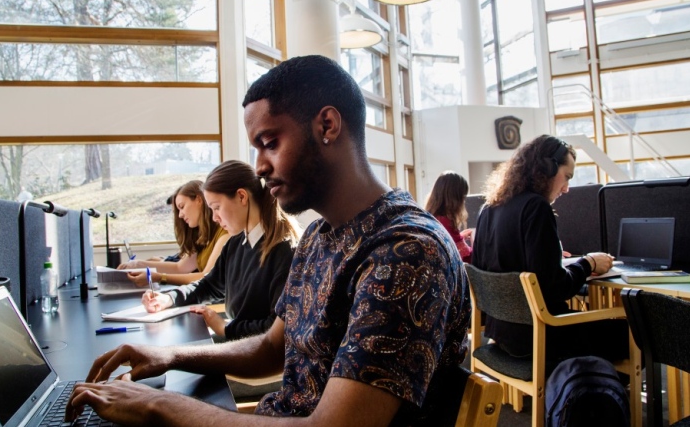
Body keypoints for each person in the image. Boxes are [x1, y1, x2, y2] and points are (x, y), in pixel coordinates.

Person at [66, 55, 470, 426]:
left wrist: (157, 404)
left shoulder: (407, 251)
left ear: (327, 126)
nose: (259, 166)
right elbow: (271, 346)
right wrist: (171, 356)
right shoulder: (317, 238)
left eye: (270, 143)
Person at [471, 134, 629, 366]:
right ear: (546, 169)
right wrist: (589, 263)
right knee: (630, 332)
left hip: (502, 334)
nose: (566, 189)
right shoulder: (536, 207)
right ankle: (596, 394)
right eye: (566, 177)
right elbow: (555, 287)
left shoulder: (489, 208)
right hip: (544, 332)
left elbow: (486, 269)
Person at [142, 160, 298, 341]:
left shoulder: (285, 251)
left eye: (217, 208)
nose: (215, 218)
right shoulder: (236, 243)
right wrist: (168, 298)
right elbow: (208, 285)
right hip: (239, 340)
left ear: (241, 197)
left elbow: (275, 327)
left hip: (258, 352)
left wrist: (225, 328)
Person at [117, 180, 230, 288]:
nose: (180, 215)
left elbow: (206, 277)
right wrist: (137, 264)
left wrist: (160, 277)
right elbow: (179, 267)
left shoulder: (224, 234)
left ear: (199, 200)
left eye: (182, 207)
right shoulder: (203, 236)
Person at [425, 171, 473, 263]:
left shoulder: (431, 217)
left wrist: (460, 237)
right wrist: (474, 240)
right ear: (456, 199)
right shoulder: (446, 222)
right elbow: (467, 257)